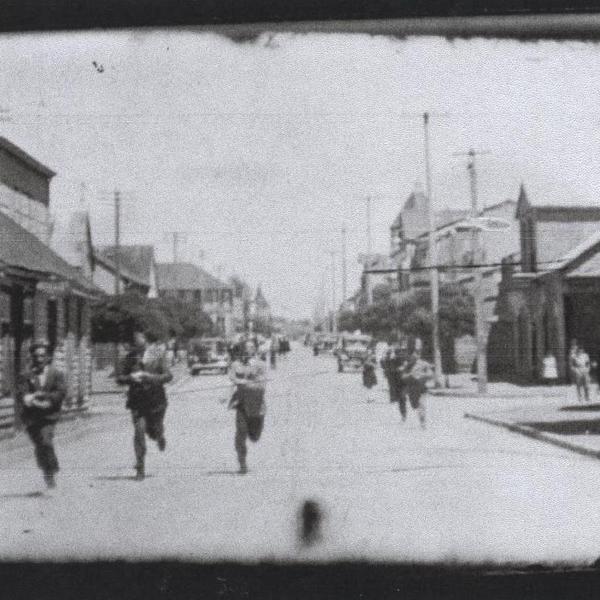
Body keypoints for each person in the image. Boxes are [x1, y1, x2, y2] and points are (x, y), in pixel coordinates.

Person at [117, 329, 173, 481]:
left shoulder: (158, 356)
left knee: (154, 431)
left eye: (139, 338)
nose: (136, 342)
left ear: (146, 340)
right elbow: (119, 378)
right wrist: (130, 377)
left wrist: (150, 377)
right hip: (137, 402)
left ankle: (160, 436)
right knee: (139, 432)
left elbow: (168, 376)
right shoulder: (130, 357)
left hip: (156, 401)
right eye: (134, 340)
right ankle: (140, 467)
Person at [17, 340, 67, 489]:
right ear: (32, 357)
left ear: (48, 357)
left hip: (48, 416)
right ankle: (48, 469)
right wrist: (29, 399)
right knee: (39, 446)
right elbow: (22, 394)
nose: (39, 359)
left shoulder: (56, 374)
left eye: (42, 356)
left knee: (46, 441)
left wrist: (45, 398)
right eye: (36, 356)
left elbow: (60, 393)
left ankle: (50, 471)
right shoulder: (26, 375)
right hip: (31, 417)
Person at [228, 341, 267, 474]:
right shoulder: (235, 364)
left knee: (255, 437)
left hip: (257, 407)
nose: (246, 350)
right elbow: (232, 379)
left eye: (249, 347)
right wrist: (229, 392)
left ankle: (254, 434)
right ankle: (242, 463)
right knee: (240, 434)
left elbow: (261, 387)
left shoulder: (261, 365)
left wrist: (244, 383)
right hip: (241, 405)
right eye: (244, 348)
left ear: (254, 350)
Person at [402, 348, 433, 429]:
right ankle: (421, 419)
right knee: (415, 405)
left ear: (419, 355)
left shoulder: (424, 364)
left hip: (422, 388)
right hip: (412, 389)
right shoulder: (408, 365)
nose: (414, 356)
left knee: (421, 405)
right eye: (413, 355)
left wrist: (423, 376)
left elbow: (430, 374)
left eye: (417, 354)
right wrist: (410, 375)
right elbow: (403, 376)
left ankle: (422, 422)